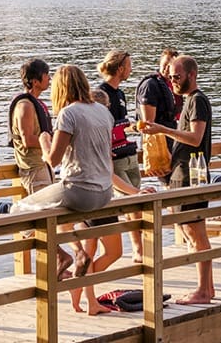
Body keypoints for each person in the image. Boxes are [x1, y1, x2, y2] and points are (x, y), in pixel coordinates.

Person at [13, 65, 139, 288]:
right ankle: (77, 253)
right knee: (62, 220)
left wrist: (44, 139)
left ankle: (67, 254)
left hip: (78, 190)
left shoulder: (68, 113)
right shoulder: (104, 112)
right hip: (104, 193)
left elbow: (53, 160)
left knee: (18, 211)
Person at [141, 55, 214, 304]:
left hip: (191, 176)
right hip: (181, 172)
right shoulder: (189, 101)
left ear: (191, 75)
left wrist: (161, 129)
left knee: (195, 233)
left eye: (176, 76)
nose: (171, 81)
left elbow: (195, 138)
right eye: (170, 76)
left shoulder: (197, 101)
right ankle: (205, 289)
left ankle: (204, 290)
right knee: (189, 231)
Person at [96, 49, 143, 263]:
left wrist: (134, 127)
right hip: (114, 158)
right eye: (129, 65)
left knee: (138, 203)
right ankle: (137, 249)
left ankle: (140, 246)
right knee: (130, 199)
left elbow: (120, 124)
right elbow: (100, 126)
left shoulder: (121, 94)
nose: (131, 70)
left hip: (129, 152)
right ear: (120, 67)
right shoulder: (100, 94)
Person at [8, 59, 54, 196]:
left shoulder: (34, 103)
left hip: (43, 165)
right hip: (34, 169)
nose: (49, 78)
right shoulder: (25, 106)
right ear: (35, 81)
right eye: (46, 75)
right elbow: (27, 140)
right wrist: (55, 142)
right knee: (45, 212)